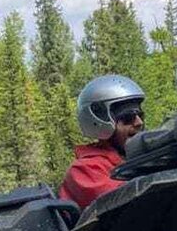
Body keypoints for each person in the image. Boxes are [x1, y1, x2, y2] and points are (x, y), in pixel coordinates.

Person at [59, 74, 145, 210]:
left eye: (140, 115)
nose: (139, 122)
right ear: (101, 122)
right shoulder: (85, 170)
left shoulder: (143, 157)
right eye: (128, 117)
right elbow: (129, 203)